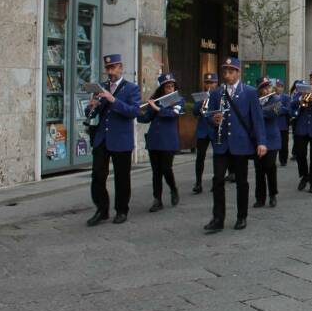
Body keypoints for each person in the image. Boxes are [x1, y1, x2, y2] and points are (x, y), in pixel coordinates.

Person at [204, 57, 267, 232]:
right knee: (217, 180)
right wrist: (213, 119)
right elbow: (209, 114)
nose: (227, 75)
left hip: (241, 143)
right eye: (225, 71)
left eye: (231, 71)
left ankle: (241, 216)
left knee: (241, 181)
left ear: (238, 73)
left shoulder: (249, 92)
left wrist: (261, 142)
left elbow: (257, 119)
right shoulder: (217, 93)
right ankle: (218, 218)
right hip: (221, 143)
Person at [85, 53, 141, 226]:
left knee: (122, 177)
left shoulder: (131, 88)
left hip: (121, 138)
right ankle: (102, 209)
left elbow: (134, 111)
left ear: (120, 68)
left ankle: (122, 210)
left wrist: (113, 99)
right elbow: (91, 114)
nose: (110, 72)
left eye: (113, 68)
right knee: (97, 175)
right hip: (102, 137)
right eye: (108, 68)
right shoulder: (101, 86)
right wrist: (91, 106)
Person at [137, 72, 183, 212]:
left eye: (172, 86)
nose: (170, 89)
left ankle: (173, 188)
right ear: (162, 89)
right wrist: (136, 113)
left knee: (166, 168)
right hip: (154, 140)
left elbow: (172, 114)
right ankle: (157, 200)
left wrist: (157, 108)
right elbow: (147, 118)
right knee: (156, 171)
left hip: (168, 141)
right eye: (167, 87)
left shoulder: (178, 100)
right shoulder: (156, 100)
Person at [254, 77, 282, 208]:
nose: (266, 90)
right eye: (263, 87)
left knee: (270, 167)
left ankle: (273, 195)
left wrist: (258, 111)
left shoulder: (276, 99)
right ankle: (260, 198)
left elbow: (274, 112)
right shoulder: (254, 100)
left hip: (272, 139)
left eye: (268, 87)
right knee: (259, 169)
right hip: (258, 139)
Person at [192, 72, 219, 193]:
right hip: (203, 130)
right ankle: (198, 182)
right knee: (200, 157)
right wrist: (201, 102)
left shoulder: (219, 95)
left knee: (217, 157)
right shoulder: (201, 95)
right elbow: (194, 112)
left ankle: (216, 181)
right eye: (207, 82)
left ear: (216, 83)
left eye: (212, 82)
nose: (209, 85)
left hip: (214, 129)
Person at [275, 79, 291, 167]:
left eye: (281, 86)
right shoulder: (271, 96)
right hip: (273, 123)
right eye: (277, 86)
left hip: (283, 124)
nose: (279, 88)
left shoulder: (286, 97)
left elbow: (287, 109)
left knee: (284, 143)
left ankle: (283, 159)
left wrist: (277, 109)